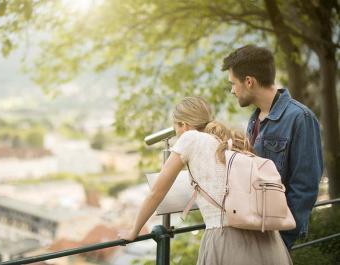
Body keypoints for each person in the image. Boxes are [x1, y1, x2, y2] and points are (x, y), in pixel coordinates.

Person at [119, 96, 292, 265]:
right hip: (265, 237)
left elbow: (157, 192)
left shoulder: (190, 138)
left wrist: (134, 231)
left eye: (176, 128)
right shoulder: (227, 139)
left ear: (183, 125)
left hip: (228, 239)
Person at [222, 45, 323, 249]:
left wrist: (282, 239)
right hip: (256, 232)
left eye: (233, 84)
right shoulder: (254, 119)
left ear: (249, 82)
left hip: (276, 238)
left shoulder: (300, 118)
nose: (232, 90)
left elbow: (306, 187)